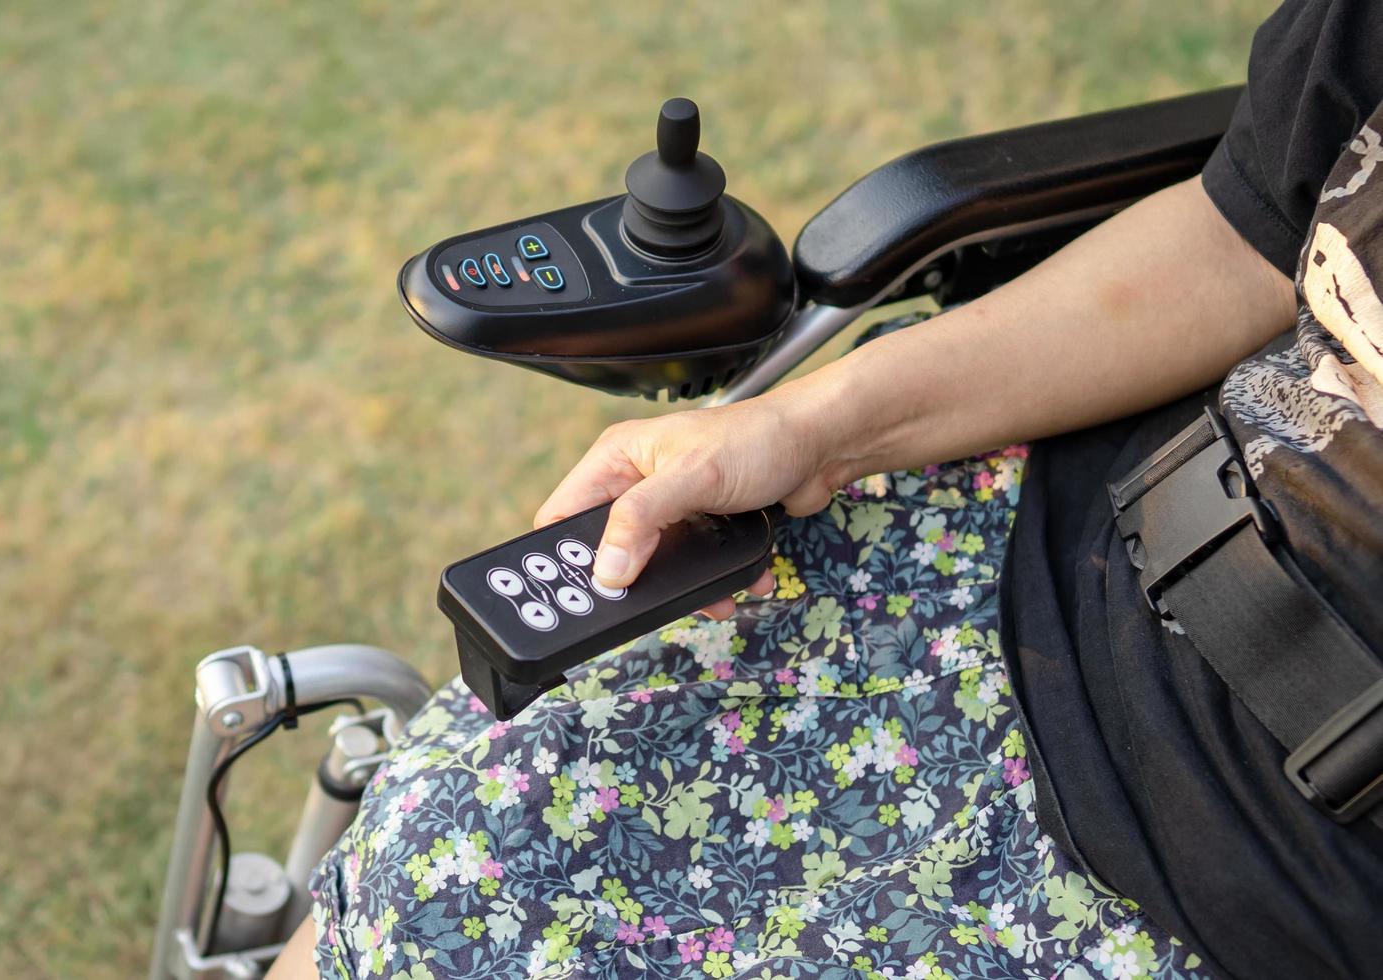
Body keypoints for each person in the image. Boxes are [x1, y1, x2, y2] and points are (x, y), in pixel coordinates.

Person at [269, 1, 1383, 976]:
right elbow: (1246, 235)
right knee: (449, 836)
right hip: (1069, 532)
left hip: (1260, 874)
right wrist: (808, 428)